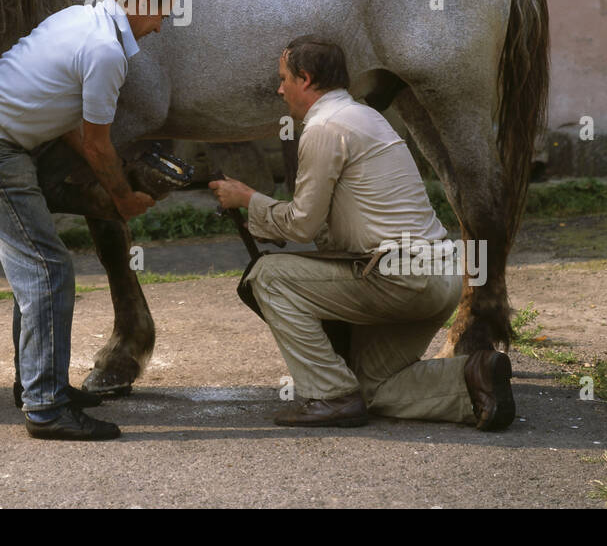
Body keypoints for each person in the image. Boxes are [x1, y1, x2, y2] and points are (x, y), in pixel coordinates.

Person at [208, 36, 515, 431]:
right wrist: (262, 217)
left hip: (402, 279)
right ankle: (473, 378)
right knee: (374, 385)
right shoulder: (365, 115)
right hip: (442, 277)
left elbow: (301, 224)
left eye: (284, 78)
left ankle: (329, 395)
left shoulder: (323, 127)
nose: (279, 89)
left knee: (268, 277)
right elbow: (327, 227)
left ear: (306, 78)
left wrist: (248, 199)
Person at [0, 0, 179, 441]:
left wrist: (110, 188)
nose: (163, 24)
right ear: (143, 3)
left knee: (38, 268)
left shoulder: (78, 19)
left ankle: (37, 386)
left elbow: (70, 122)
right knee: (48, 269)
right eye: (163, 11)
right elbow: (95, 143)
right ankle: (46, 408)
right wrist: (123, 198)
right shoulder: (106, 52)